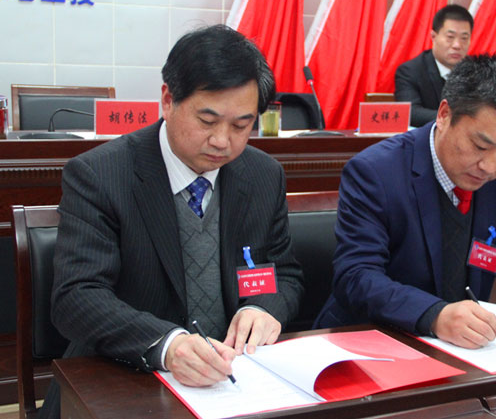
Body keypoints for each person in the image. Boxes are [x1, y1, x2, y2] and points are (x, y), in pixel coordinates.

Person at [41, 25, 304, 418]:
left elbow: (281, 272)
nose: (222, 141)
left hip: (233, 384)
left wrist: (263, 308)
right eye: (207, 120)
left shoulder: (263, 175)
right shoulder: (101, 175)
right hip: (121, 379)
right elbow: (77, 296)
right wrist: (168, 345)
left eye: (241, 125)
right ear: (168, 100)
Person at [314, 55, 496, 349]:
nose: (490, 167)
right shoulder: (376, 171)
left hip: (463, 347)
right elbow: (357, 276)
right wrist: (435, 315)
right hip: (372, 340)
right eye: (480, 146)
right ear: (444, 114)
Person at [394, 4, 473, 127]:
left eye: (464, 38)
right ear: (433, 37)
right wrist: (456, 119)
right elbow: (411, 113)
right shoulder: (410, 71)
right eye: (450, 37)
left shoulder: (475, 72)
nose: (457, 45)